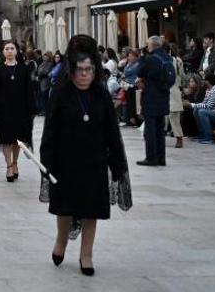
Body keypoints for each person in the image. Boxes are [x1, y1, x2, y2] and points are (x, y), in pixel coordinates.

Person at [40, 36, 129, 277]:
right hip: (65, 160)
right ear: (71, 70)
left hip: (94, 161)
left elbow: (112, 131)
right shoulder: (60, 93)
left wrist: (117, 162)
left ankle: (86, 254)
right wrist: (47, 161)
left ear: (95, 70)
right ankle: (61, 240)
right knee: (65, 207)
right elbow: (50, 131)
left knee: (91, 208)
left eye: (88, 69)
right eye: (79, 70)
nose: (84, 75)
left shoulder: (101, 95)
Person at [0, 41, 36, 182]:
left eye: (12, 48)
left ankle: (15, 163)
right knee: (6, 139)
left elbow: (29, 90)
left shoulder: (23, 69)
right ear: (3, 52)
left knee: (17, 140)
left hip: (20, 110)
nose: (9, 51)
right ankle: (9, 166)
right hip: (4, 110)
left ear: (16, 51)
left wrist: (31, 108)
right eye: (7, 49)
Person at [136, 36, 174, 167]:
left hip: (151, 97)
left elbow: (140, 71)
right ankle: (161, 158)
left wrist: (142, 57)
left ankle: (151, 158)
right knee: (160, 129)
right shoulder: (167, 57)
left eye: (148, 45)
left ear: (152, 45)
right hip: (163, 96)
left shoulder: (151, 59)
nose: (147, 47)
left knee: (150, 129)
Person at [186, 73, 215, 144]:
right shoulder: (209, 90)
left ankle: (208, 137)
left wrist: (191, 104)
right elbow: (204, 103)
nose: (203, 82)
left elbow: (208, 106)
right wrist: (194, 105)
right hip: (214, 111)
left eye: (204, 80)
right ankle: (202, 134)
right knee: (197, 109)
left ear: (208, 81)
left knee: (202, 112)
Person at [167, 44, 186, 148]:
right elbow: (182, 75)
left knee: (173, 115)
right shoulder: (178, 60)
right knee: (172, 116)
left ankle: (179, 138)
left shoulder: (172, 60)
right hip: (175, 89)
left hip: (172, 89)